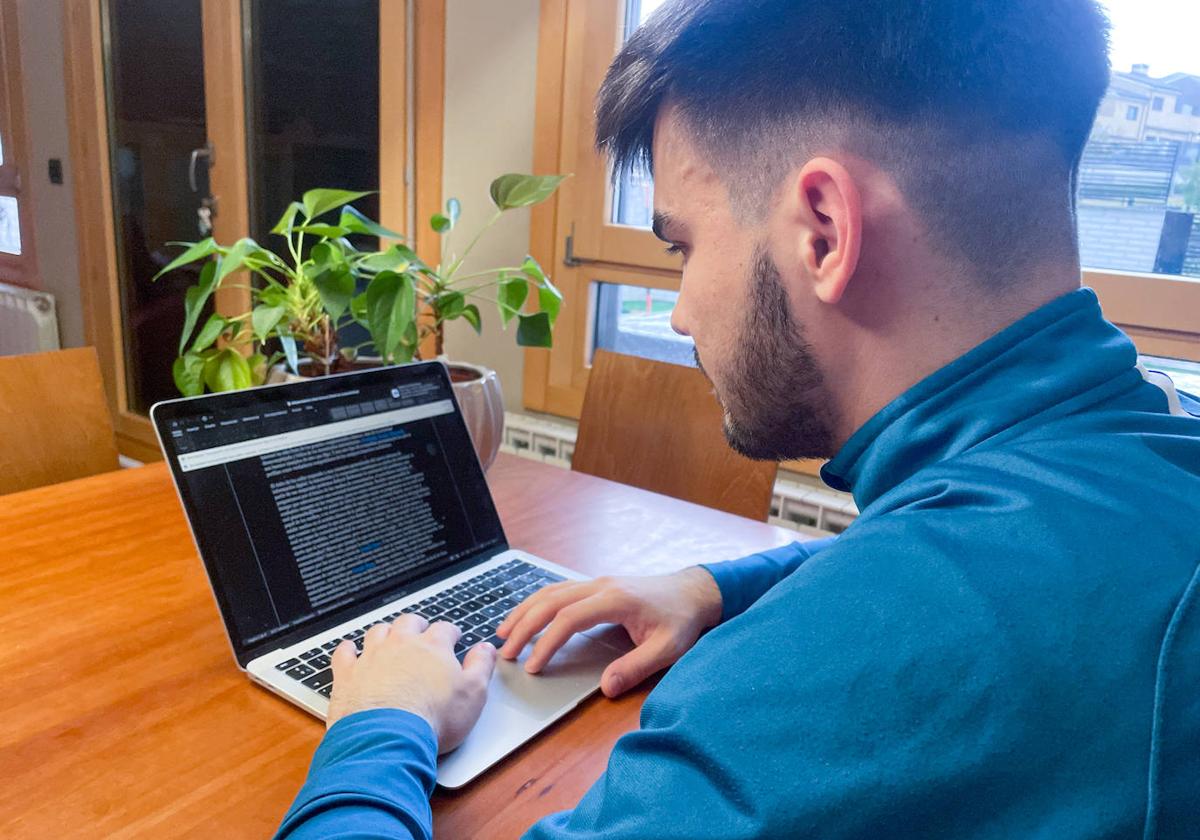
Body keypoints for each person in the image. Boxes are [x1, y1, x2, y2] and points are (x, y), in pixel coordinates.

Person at [275, 0, 1200, 837]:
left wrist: (377, 725)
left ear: (824, 232)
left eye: (681, 243)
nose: (679, 311)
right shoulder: (1150, 449)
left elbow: (927, 611)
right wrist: (716, 589)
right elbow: (980, 552)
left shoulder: (840, 664)